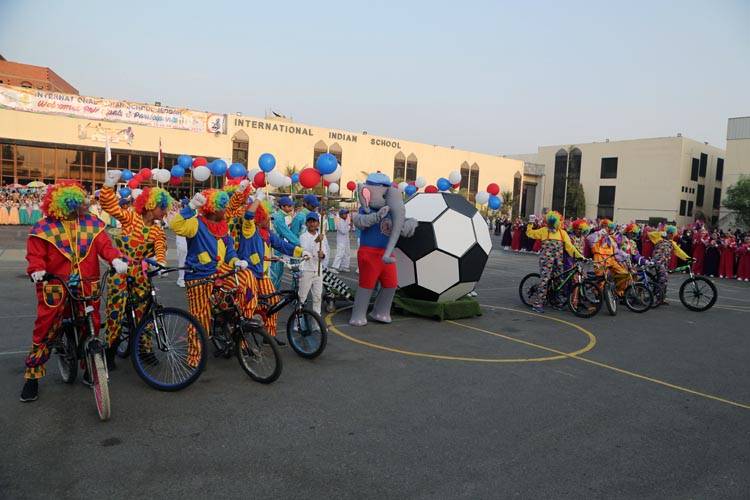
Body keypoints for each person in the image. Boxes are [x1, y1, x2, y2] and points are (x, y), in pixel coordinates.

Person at [20, 181, 128, 402]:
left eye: (80, 204)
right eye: (74, 205)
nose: (79, 209)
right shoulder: (44, 228)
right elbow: (36, 253)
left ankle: (91, 369)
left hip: (87, 283)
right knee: (46, 327)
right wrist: (37, 270)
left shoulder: (92, 224)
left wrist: (115, 258)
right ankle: (32, 377)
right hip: (55, 284)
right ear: (61, 205)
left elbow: (105, 245)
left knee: (91, 324)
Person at [99, 170, 173, 369]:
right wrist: (108, 186)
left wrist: (161, 262)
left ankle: (144, 349)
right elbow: (110, 206)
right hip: (121, 270)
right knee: (116, 310)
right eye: (162, 208)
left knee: (144, 312)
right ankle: (110, 350)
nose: (164, 212)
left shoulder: (157, 228)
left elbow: (160, 246)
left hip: (140, 274)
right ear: (150, 206)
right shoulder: (130, 217)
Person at [170, 189, 249, 361]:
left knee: (243, 284)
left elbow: (229, 249)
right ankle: (195, 357)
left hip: (218, 273)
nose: (225, 210)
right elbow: (174, 225)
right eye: (223, 207)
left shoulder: (223, 225)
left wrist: (235, 260)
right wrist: (190, 207)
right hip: (198, 276)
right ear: (214, 209)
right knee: (200, 317)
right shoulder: (195, 223)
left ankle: (226, 327)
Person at [237, 196, 306, 344]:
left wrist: (301, 252)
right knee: (248, 304)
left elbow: (282, 245)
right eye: (267, 218)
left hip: (263, 275)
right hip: (248, 274)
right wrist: (258, 200)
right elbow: (248, 215)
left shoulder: (267, 233)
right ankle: (242, 342)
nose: (270, 221)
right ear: (260, 218)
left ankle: (269, 335)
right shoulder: (249, 230)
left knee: (273, 302)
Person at [525, 211, 583, 313]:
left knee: (560, 281)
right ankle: (537, 303)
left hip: (558, 262)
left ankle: (555, 301)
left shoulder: (562, 233)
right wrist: (530, 223)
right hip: (546, 262)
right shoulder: (544, 231)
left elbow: (570, 247)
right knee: (545, 281)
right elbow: (530, 234)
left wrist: (580, 256)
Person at [648, 225, 690, 304]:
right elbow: (650, 234)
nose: (674, 235)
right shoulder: (659, 239)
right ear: (670, 233)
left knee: (663, 280)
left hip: (664, 264)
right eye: (673, 234)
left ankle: (661, 299)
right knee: (663, 279)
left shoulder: (672, 243)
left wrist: (689, 259)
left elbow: (680, 252)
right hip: (657, 263)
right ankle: (658, 298)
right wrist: (661, 232)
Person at [298, 212, 330, 314]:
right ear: (306, 223)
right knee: (302, 298)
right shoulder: (303, 236)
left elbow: (325, 252)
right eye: (310, 221)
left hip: (318, 270)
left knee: (317, 298)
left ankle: (316, 324)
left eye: (314, 221)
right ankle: (298, 323)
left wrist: (323, 255)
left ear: (318, 223)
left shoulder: (322, 237)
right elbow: (305, 252)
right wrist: (316, 241)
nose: (312, 224)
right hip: (306, 270)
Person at [270, 195, 301, 290]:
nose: (291, 208)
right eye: (288, 206)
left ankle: (275, 293)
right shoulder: (278, 217)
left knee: (278, 272)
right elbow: (286, 233)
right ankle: (272, 295)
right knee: (275, 273)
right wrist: (299, 243)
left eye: (291, 206)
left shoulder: (281, 216)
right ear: (282, 207)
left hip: (278, 246)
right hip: (275, 247)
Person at [331, 208, 352, 272]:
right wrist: (349, 227)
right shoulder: (339, 222)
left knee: (347, 253)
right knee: (339, 253)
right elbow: (343, 231)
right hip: (341, 241)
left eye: (346, 214)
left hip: (346, 240)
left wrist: (349, 225)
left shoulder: (345, 221)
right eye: (344, 214)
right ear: (341, 215)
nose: (346, 215)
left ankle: (344, 266)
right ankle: (334, 267)